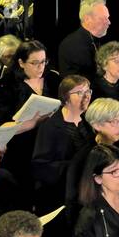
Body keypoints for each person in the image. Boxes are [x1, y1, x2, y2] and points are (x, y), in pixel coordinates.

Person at [31, 75, 93, 210]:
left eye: (88, 91)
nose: (86, 96)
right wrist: (77, 166)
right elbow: (41, 167)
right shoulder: (50, 127)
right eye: (79, 92)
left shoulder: (88, 125)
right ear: (66, 98)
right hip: (58, 197)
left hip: (82, 193)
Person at [0, 39, 60, 124]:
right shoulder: (6, 85)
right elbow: (1, 123)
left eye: (43, 61)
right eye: (35, 63)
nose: (41, 67)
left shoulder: (53, 78)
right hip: (23, 135)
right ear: (21, 63)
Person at [57, 0, 111, 80]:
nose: (108, 22)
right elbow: (88, 77)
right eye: (103, 18)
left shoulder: (99, 39)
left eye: (107, 18)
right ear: (87, 19)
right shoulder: (73, 44)